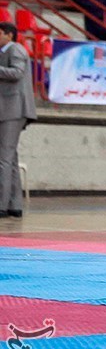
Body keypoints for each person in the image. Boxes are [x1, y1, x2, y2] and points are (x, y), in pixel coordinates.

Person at [0, 22, 37, 218]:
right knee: (10, 158)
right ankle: (14, 204)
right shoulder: (6, 51)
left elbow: (17, 72)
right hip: (7, 110)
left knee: (3, 159)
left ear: (9, 35)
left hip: (13, 110)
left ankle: (2, 204)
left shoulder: (15, 49)